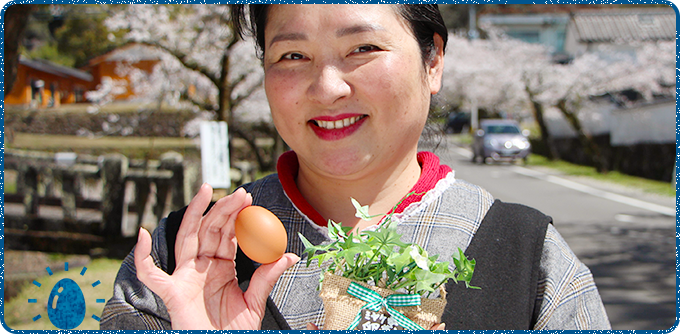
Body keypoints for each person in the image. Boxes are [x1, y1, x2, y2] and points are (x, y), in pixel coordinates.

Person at [100, 4, 611, 330]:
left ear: (432, 61)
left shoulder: (528, 259)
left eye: (362, 48)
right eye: (292, 55)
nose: (327, 89)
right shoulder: (182, 262)